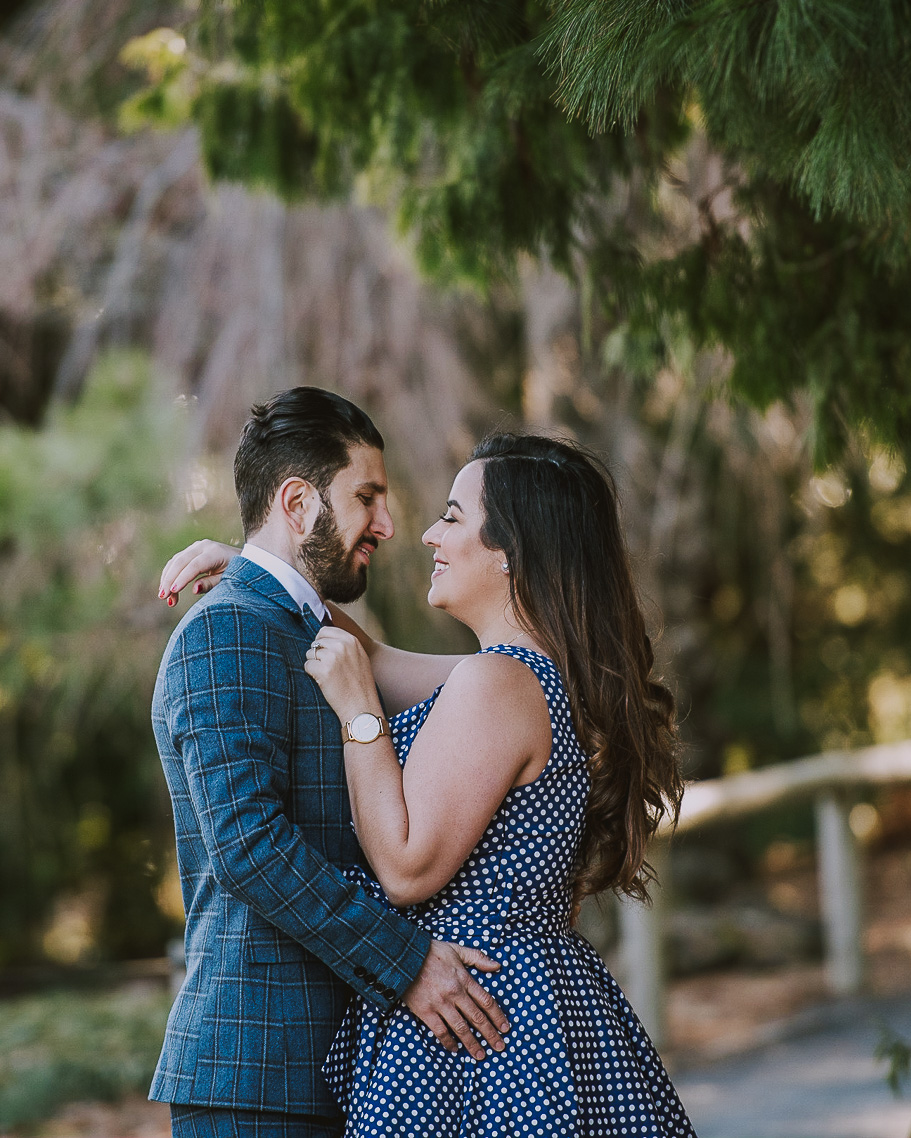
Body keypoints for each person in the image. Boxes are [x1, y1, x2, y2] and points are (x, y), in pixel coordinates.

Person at [160, 430, 696, 1135]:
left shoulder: (496, 683)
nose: (425, 533)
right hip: (515, 1001)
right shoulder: (523, 675)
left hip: (472, 1023)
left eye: (452, 516)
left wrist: (359, 716)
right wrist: (261, 567)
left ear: (509, 550)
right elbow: (371, 653)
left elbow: (407, 869)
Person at [149, 387, 511, 1138]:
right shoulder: (224, 633)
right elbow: (249, 847)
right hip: (257, 1081)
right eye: (367, 497)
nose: (387, 523)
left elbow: (475, 693)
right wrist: (407, 962)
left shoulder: (310, 635)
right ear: (296, 501)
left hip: (346, 1068)